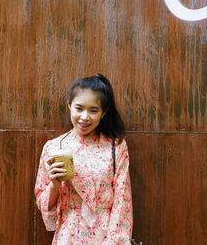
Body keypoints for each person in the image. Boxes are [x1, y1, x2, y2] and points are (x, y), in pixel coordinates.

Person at [34, 74, 133, 244]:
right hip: (68, 235)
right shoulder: (53, 147)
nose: (85, 117)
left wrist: (113, 242)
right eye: (79, 108)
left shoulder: (115, 147)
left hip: (106, 234)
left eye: (93, 110)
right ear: (69, 106)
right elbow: (43, 203)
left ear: (103, 113)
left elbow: (122, 201)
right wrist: (55, 184)